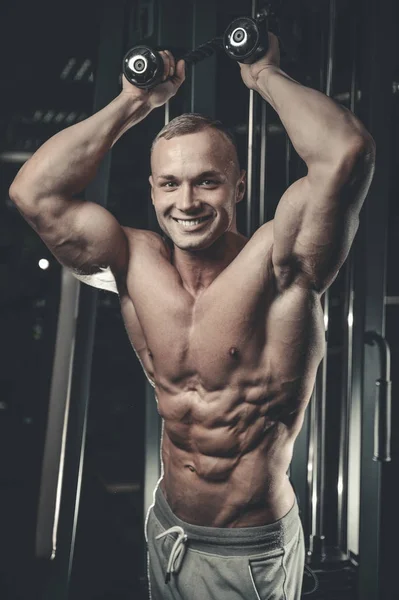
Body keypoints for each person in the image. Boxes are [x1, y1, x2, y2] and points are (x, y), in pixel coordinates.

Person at [9, 32, 375, 600]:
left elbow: (344, 153)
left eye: (207, 180)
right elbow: (34, 193)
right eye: (170, 183)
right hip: (166, 526)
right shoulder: (133, 262)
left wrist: (263, 76)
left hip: (246, 551)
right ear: (153, 190)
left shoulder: (281, 267)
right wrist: (135, 101)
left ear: (237, 186)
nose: (187, 202)